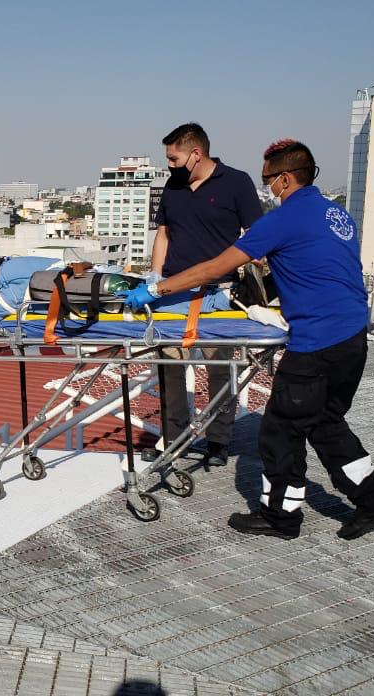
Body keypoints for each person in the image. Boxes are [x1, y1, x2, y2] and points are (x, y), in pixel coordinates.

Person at [121, 139, 374, 541]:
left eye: (268, 179)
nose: (267, 187)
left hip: (317, 342)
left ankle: (281, 518)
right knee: (325, 422)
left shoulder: (284, 219)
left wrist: (157, 290)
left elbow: (216, 267)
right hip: (353, 335)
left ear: (285, 179)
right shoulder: (337, 215)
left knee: (280, 430)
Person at [147, 123, 264, 467]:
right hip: (173, 292)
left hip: (220, 294)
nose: (168, 164)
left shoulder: (236, 183)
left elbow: (255, 235)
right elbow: (164, 235)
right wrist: (155, 281)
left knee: (219, 369)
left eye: (173, 157)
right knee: (169, 367)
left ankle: (218, 440)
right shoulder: (173, 186)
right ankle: (175, 437)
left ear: (196, 154)